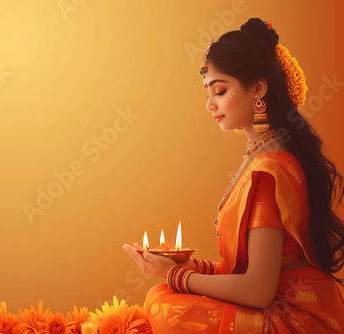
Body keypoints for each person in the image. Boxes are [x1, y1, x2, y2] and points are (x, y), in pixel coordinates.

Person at [123, 18, 344, 333]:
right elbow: (246, 273)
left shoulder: (271, 168)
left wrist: (174, 276)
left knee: (166, 304)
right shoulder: (262, 158)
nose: (210, 104)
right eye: (208, 92)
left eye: (220, 90)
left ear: (257, 88)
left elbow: (257, 291)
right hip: (276, 299)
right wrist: (190, 267)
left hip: (294, 314)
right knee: (163, 297)